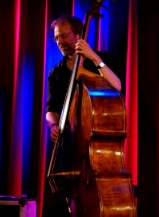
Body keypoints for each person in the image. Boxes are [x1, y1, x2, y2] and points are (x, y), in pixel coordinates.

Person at [43, 15, 121, 217]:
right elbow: (51, 109)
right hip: (70, 147)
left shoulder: (101, 60)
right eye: (56, 38)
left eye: (64, 36)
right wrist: (53, 125)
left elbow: (118, 86)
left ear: (78, 34)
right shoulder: (56, 73)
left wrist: (95, 58)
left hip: (95, 153)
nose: (59, 42)